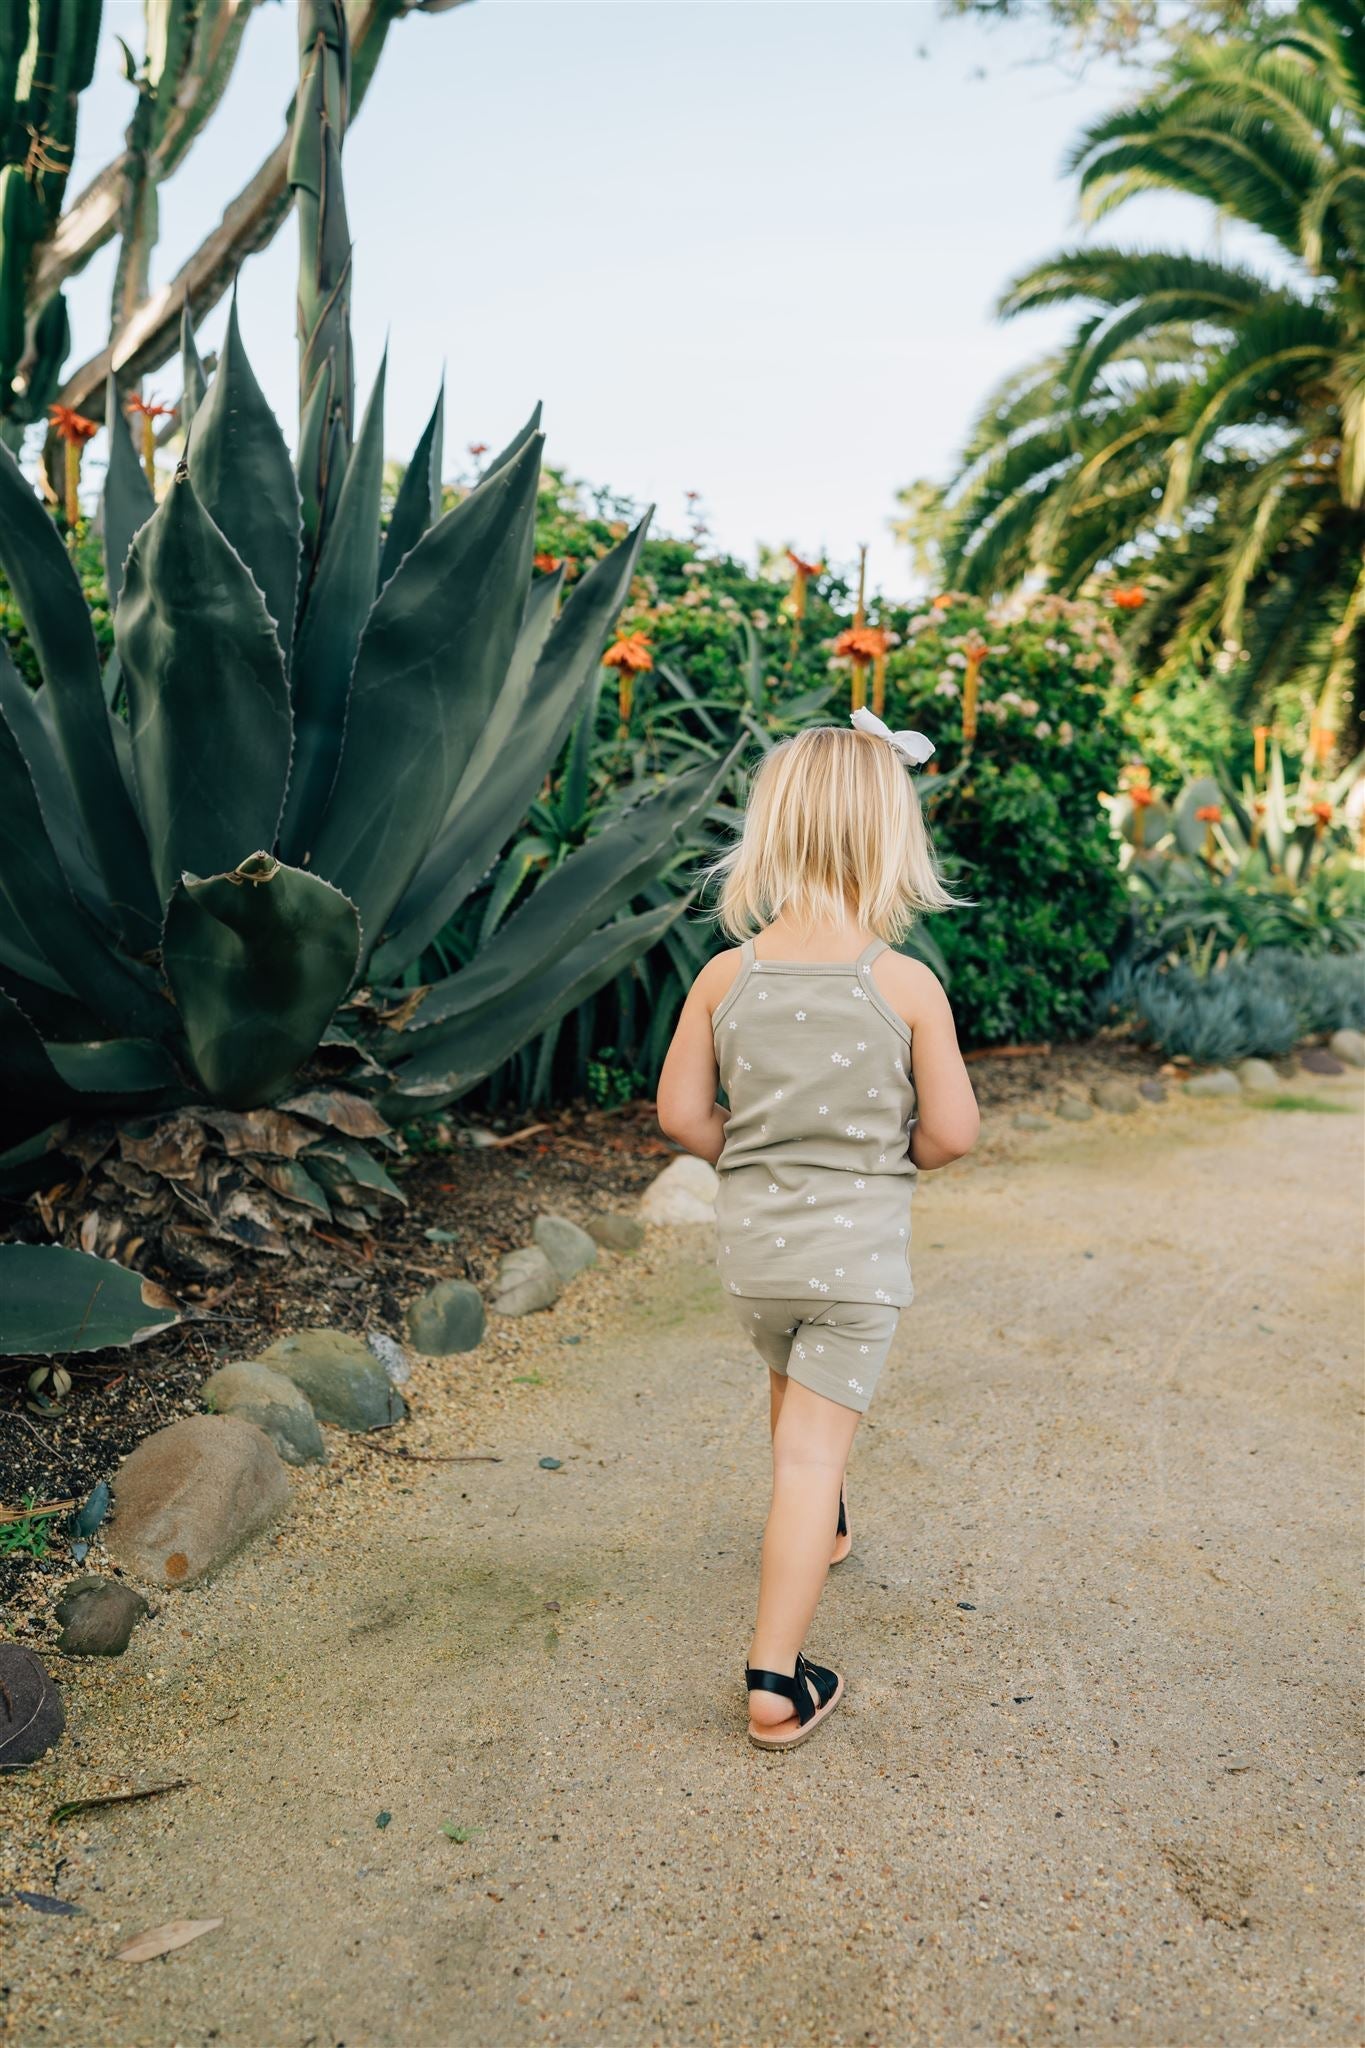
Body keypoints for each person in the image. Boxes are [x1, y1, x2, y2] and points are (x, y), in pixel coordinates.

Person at [656, 710, 980, 1749]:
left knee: (794, 1388)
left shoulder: (725, 977)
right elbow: (954, 1132)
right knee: (806, 1451)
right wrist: (898, 1160)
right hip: (854, 1261)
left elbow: (678, 1116)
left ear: (771, 835)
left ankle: (828, 1520)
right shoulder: (907, 986)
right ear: (892, 841)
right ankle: (774, 1678)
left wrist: (743, 1155)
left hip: (758, 1257)